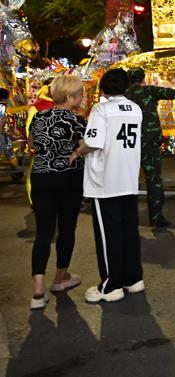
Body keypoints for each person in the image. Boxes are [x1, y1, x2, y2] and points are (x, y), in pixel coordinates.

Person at [72, 68, 144, 304]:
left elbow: (93, 142)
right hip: (128, 179)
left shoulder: (101, 110)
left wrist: (77, 152)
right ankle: (133, 278)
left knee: (108, 235)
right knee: (129, 232)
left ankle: (110, 286)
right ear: (127, 87)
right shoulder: (135, 108)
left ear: (102, 88)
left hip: (106, 182)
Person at [27, 75, 87, 310]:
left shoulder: (39, 116)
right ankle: (61, 277)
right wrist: (76, 153)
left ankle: (37, 288)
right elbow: (86, 145)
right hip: (69, 177)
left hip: (41, 176)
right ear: (70, 97)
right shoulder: (77, 120)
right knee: (66, 228)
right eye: (80, 93)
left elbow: (32, 143)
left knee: (43, 232)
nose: (82, 97)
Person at [124, 68, 175, 228]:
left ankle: (128, 219)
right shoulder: (149, 91)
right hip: (150, 144)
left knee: (129, 182)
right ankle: (156, 218)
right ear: (143, 79)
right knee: (154, 180)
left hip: (128, 145)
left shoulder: (124, 95)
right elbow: (173, 93)